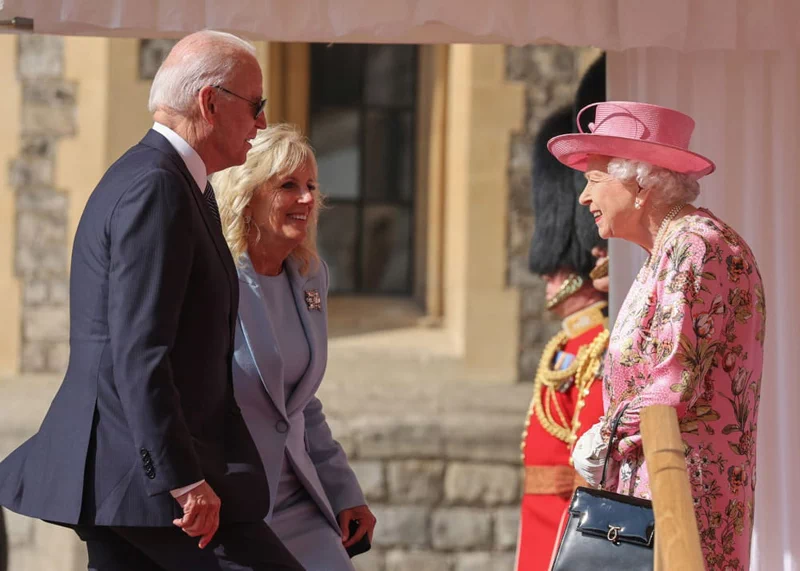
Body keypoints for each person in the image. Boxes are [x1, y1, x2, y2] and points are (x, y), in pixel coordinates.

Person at [0, 31, 304, 571]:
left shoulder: (180, 182)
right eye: (256, 106)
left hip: (132, 477)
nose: (261, 123)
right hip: (148, 483)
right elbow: (139, 350)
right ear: (211, 103)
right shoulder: (156, 187)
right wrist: (183, 480)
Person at [550, 101, 765, 570]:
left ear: (639, 182)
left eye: (593, 180)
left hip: (680, 495)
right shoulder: (670, 247)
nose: (584, 199)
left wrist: (603, 436)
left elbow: (673, 382)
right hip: (654, 489)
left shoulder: (696, 245)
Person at [213, 124, 376, 571]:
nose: (307, 199)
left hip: (299, 502)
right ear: (247, 195)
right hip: (233, 505)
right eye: (288, 186)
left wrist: (344, 491)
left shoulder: (310, 276)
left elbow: (298, 404)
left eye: (311, 186)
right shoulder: (215, 279)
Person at [515, 106, 609, 571]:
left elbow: (586, 468)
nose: (550, 275)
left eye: (559, 264)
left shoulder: (598, 345)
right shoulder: (566, 346)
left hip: (569, 531)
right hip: (539, 527)